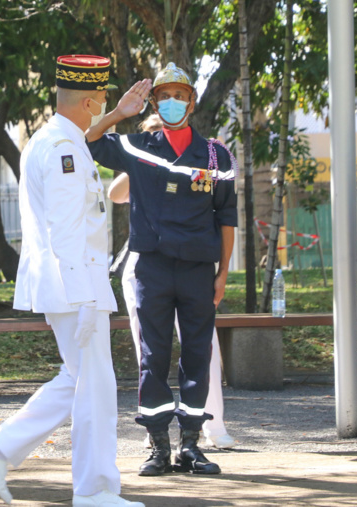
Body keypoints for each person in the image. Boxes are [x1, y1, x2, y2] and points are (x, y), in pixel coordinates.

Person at [0, 55, 145, 507]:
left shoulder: (56, 139)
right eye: (101, 102)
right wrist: (85, 298)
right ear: (88, 101)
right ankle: (94, 490)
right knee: (97, 390)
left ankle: (0, 448)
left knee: (80, 379)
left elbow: (88, 135)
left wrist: (118, 114)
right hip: (76, 284)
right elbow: (66, 230)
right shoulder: (65, 150)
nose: (103, 108)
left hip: (70, 283)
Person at [87, 62, 238, 477]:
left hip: (197, 270)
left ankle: (191, 444)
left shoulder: (216, 155)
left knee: (196, 355)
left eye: (180, 95)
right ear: (155, 102)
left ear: (192, 101)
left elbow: (227, 218)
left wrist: (223, 274)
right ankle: (157, 446)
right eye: (165, 96)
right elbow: (91, 141)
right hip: (151, 269)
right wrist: (119, 113)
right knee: (153, 357)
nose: (172, 102)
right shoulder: (138, 146)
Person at [108, 113, 236, 450]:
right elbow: (115, 193)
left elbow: (224, 212)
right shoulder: (141, 162)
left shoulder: (205, 158)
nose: (160, 139)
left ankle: (212, 426)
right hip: (147, 262)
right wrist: (145, 164)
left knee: (202, 348)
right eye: (152, 135)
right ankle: (156, 432)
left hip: (192, 262)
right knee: (150, 352)